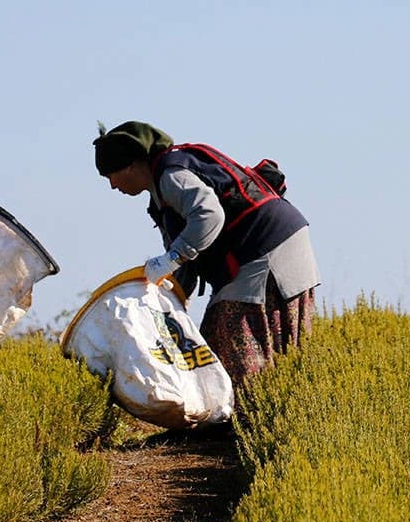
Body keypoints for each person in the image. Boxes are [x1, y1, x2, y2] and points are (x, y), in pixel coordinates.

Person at [92, 121, 319, 387]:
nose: (111, 186)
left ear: (130, 165)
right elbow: (188, 256)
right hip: (280, 247)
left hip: (265, 252)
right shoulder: (161, 192)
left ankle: (242, 422)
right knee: (225, 343)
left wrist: (172, 258)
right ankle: (257, 420)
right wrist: (172, 299)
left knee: (229, 343)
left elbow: (209, 215)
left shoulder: (171, 176)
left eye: (110, 175)